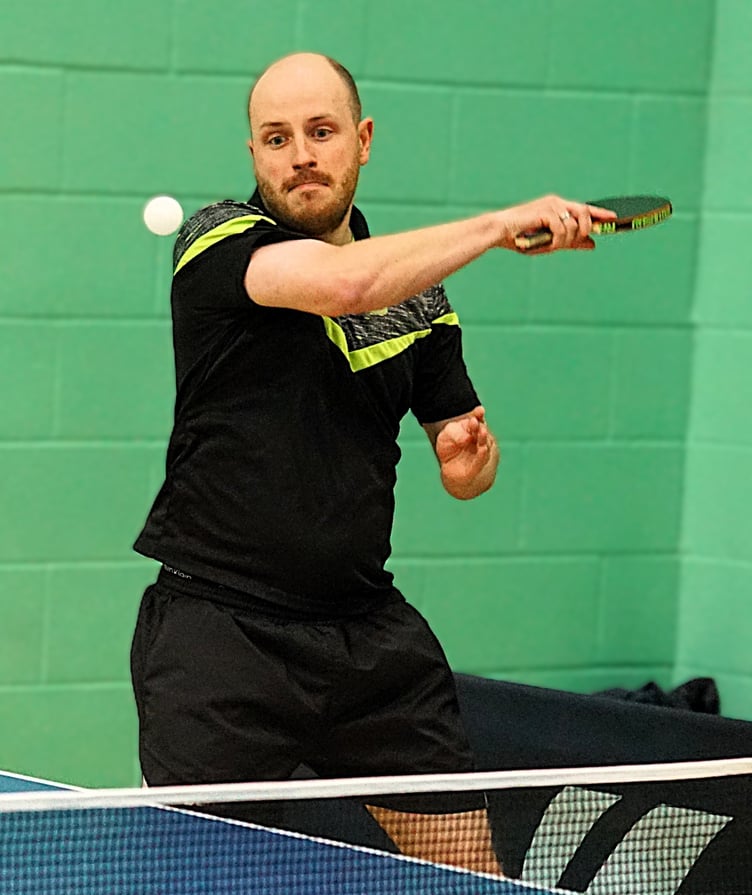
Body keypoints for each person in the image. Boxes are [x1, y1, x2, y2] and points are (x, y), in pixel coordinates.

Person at [130, 52, 615, 875]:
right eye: (276, 138)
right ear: (253, 154)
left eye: (320, 132)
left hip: (367, 642)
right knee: (201, 880)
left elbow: (465, 466)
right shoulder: (218, 241)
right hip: (221, 639)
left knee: (470, 880)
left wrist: (468, 461)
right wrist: (501, 225)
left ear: (362, 140)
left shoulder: (419, 295)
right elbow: (346, 285)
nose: (300, 155)